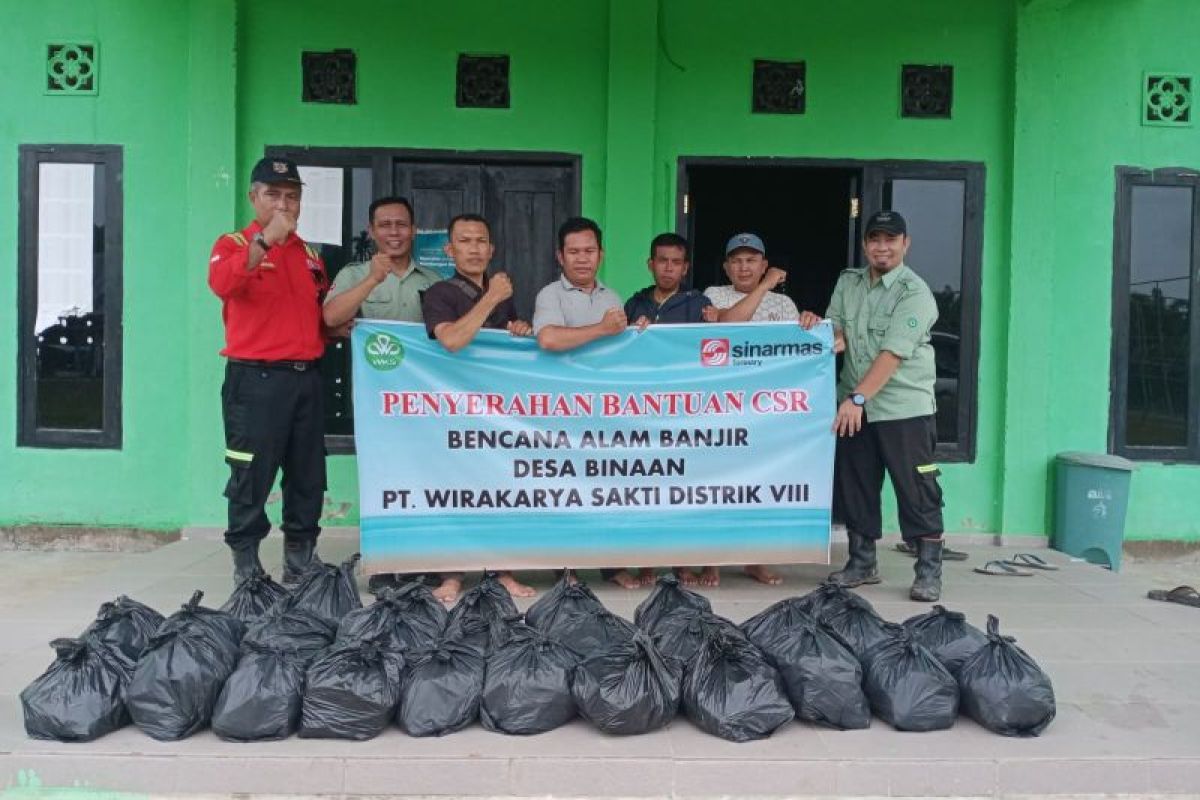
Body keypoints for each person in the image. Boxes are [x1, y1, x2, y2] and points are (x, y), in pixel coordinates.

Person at [799, 210, 946, 602]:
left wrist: (858, 399)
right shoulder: (849, 283)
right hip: (854, 403)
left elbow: (891, 355)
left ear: (905, 244)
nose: (882, 247)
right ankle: (862, 563)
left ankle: (928, 571)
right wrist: (823, 330)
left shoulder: (915, 293)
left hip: (902, 407)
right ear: (865, 244)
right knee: (856, 484)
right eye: (875, 239)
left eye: (891, 240)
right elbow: (837, 328)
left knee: (916, 488)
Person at [207, 157, 330, 585]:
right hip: (255, 381)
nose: (283, 204)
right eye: (273, 195)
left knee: (308, 473)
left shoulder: (310, 255)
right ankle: (247, 565)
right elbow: (223, 283)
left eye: (292, 197)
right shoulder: (233, 242)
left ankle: (300, 561)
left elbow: (319, 317)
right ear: (254, 197)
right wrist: (264, 242)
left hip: (306, 379)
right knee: (251, 474)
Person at [323, 196, 441, 592]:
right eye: (385, 225)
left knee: (425, 479)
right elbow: (330, 318)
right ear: (372, 231)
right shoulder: (355, 273)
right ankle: (385, 564)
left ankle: (422, 561)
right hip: (377, 405)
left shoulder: (433, 282)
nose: (394, 232)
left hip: (424, 404)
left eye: (401, 224)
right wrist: (373, 279)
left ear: (413, 230)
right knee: (383, 482)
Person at [420, 213, 535, 602]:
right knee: (455, 491)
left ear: (491, 248)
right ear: (450, 250)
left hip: (496, 409)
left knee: (499, 488)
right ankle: (451, 574)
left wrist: (517, 330)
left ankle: (501, 570)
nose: (474, 248)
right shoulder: (439, 294)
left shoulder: (500, 293)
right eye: (464, 241)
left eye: (480, 241)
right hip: (452, 409)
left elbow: (504, 343)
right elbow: (452, 339)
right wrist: (492, 299)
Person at [532, 217, 649, 589]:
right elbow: (548, 339)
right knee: (565, 489)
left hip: (604, 412)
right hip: (562, 411)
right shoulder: (550, 295)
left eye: (589, 251)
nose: (582, 259)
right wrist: (602, 329)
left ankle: (610, 565)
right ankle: (566, 566)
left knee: (608, 489)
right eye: (574, 252)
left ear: (601, 254)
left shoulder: (611, 297)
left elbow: (617, 349)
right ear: (560, 256)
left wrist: (635, 335)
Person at [624, 232, 718, 325]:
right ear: (651, 265)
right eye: (662, 261)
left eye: (676, 262)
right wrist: (634, 331)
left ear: (684, 269)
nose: (669, 268)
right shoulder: (634, 305)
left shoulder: (700, 305)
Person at [704, 232, 799, 322]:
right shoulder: (713, 294)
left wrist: (808, 321)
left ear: (763, 266)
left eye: (751, 260)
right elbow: (729, 324)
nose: (743, 268)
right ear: (726, 268)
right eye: (736, 261)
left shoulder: (784, 302)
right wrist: (765, 285)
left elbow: (797, 338)